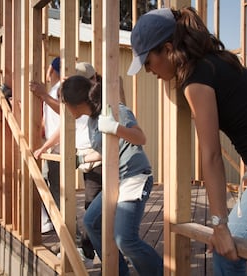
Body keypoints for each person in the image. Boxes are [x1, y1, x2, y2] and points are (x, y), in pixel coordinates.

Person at [127, 7, 247, 275]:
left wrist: (219, 224)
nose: (148, 70)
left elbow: (212, 155)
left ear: (168, 49)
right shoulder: (216, 62)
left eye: (147, 61)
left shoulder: (196, 80)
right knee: (227, 255)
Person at [60, 75, 164, 276]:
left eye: (65, 103)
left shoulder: (115, 111)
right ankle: (119, 273)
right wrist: (81, 160)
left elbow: (140, 138)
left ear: (76, 102)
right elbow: (106, 149)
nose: (64, 108)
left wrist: (116, 127)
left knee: (125, 239)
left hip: (134, 177)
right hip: (116, 180)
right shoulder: (91, 121)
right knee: (91, 222)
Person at [31, 61, 102, 266]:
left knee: (93, 212)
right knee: (91, 210)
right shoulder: (80, 102)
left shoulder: (94, 103)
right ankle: (82, 247)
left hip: (94, 159)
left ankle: (86, 251)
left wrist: (44, 96)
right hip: (86, 159)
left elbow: (111, 148)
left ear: (91, 81)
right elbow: (64, 125)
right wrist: (44, 147)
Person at [30, 56, 61, 233]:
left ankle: (73, 238)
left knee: (57, 192)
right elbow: (46, 123)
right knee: (49, 186)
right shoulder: (53, 90)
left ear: (51, 69)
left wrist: (43, 95)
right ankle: (51, 222)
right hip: (52, 147)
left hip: (58, 149)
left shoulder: (60, 88)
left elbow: (66, 113)